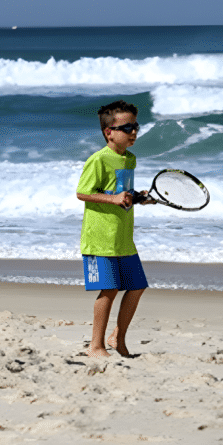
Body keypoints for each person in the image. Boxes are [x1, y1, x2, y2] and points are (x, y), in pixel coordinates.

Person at [77, 100, 152, 358]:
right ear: (109, 132)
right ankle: (95, 345)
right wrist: (113, 199)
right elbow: (82, 193)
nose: (133, 132)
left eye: (136, 126)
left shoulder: (129, 159)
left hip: (123, 238)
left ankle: (117, 338)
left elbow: (123, 193)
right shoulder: (98, 160)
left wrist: (138, 197)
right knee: (108, 289)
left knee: (137, 286)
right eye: (127, 127)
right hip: (99, 239)